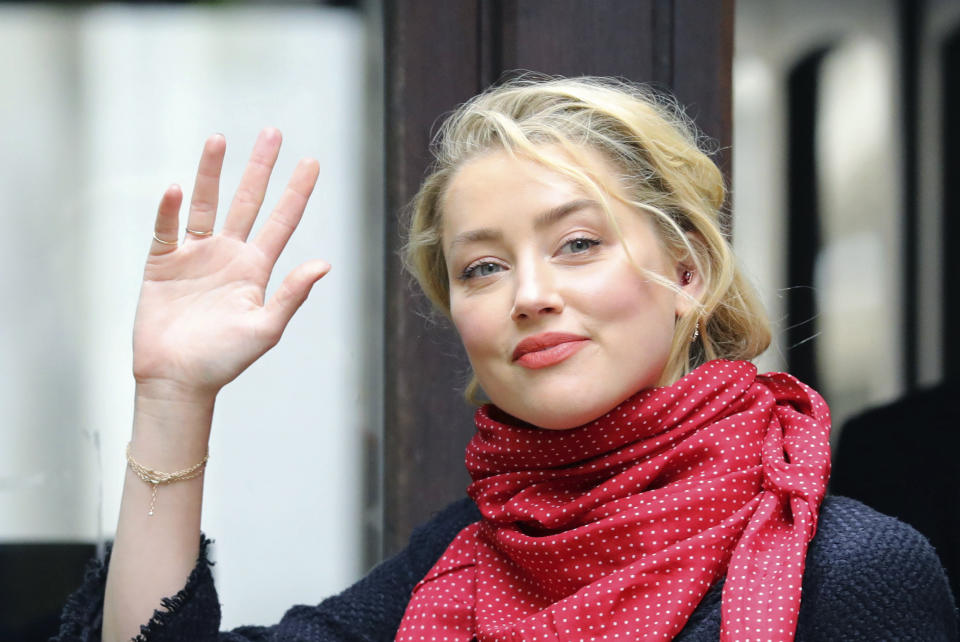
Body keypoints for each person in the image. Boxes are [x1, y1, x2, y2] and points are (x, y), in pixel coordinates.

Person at [56, 76, 957, 641]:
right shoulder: (463, 555)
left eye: (576, 244)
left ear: (686, 271)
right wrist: (173, 396)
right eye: (482, 267)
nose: (529, 293)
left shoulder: (850, 572)